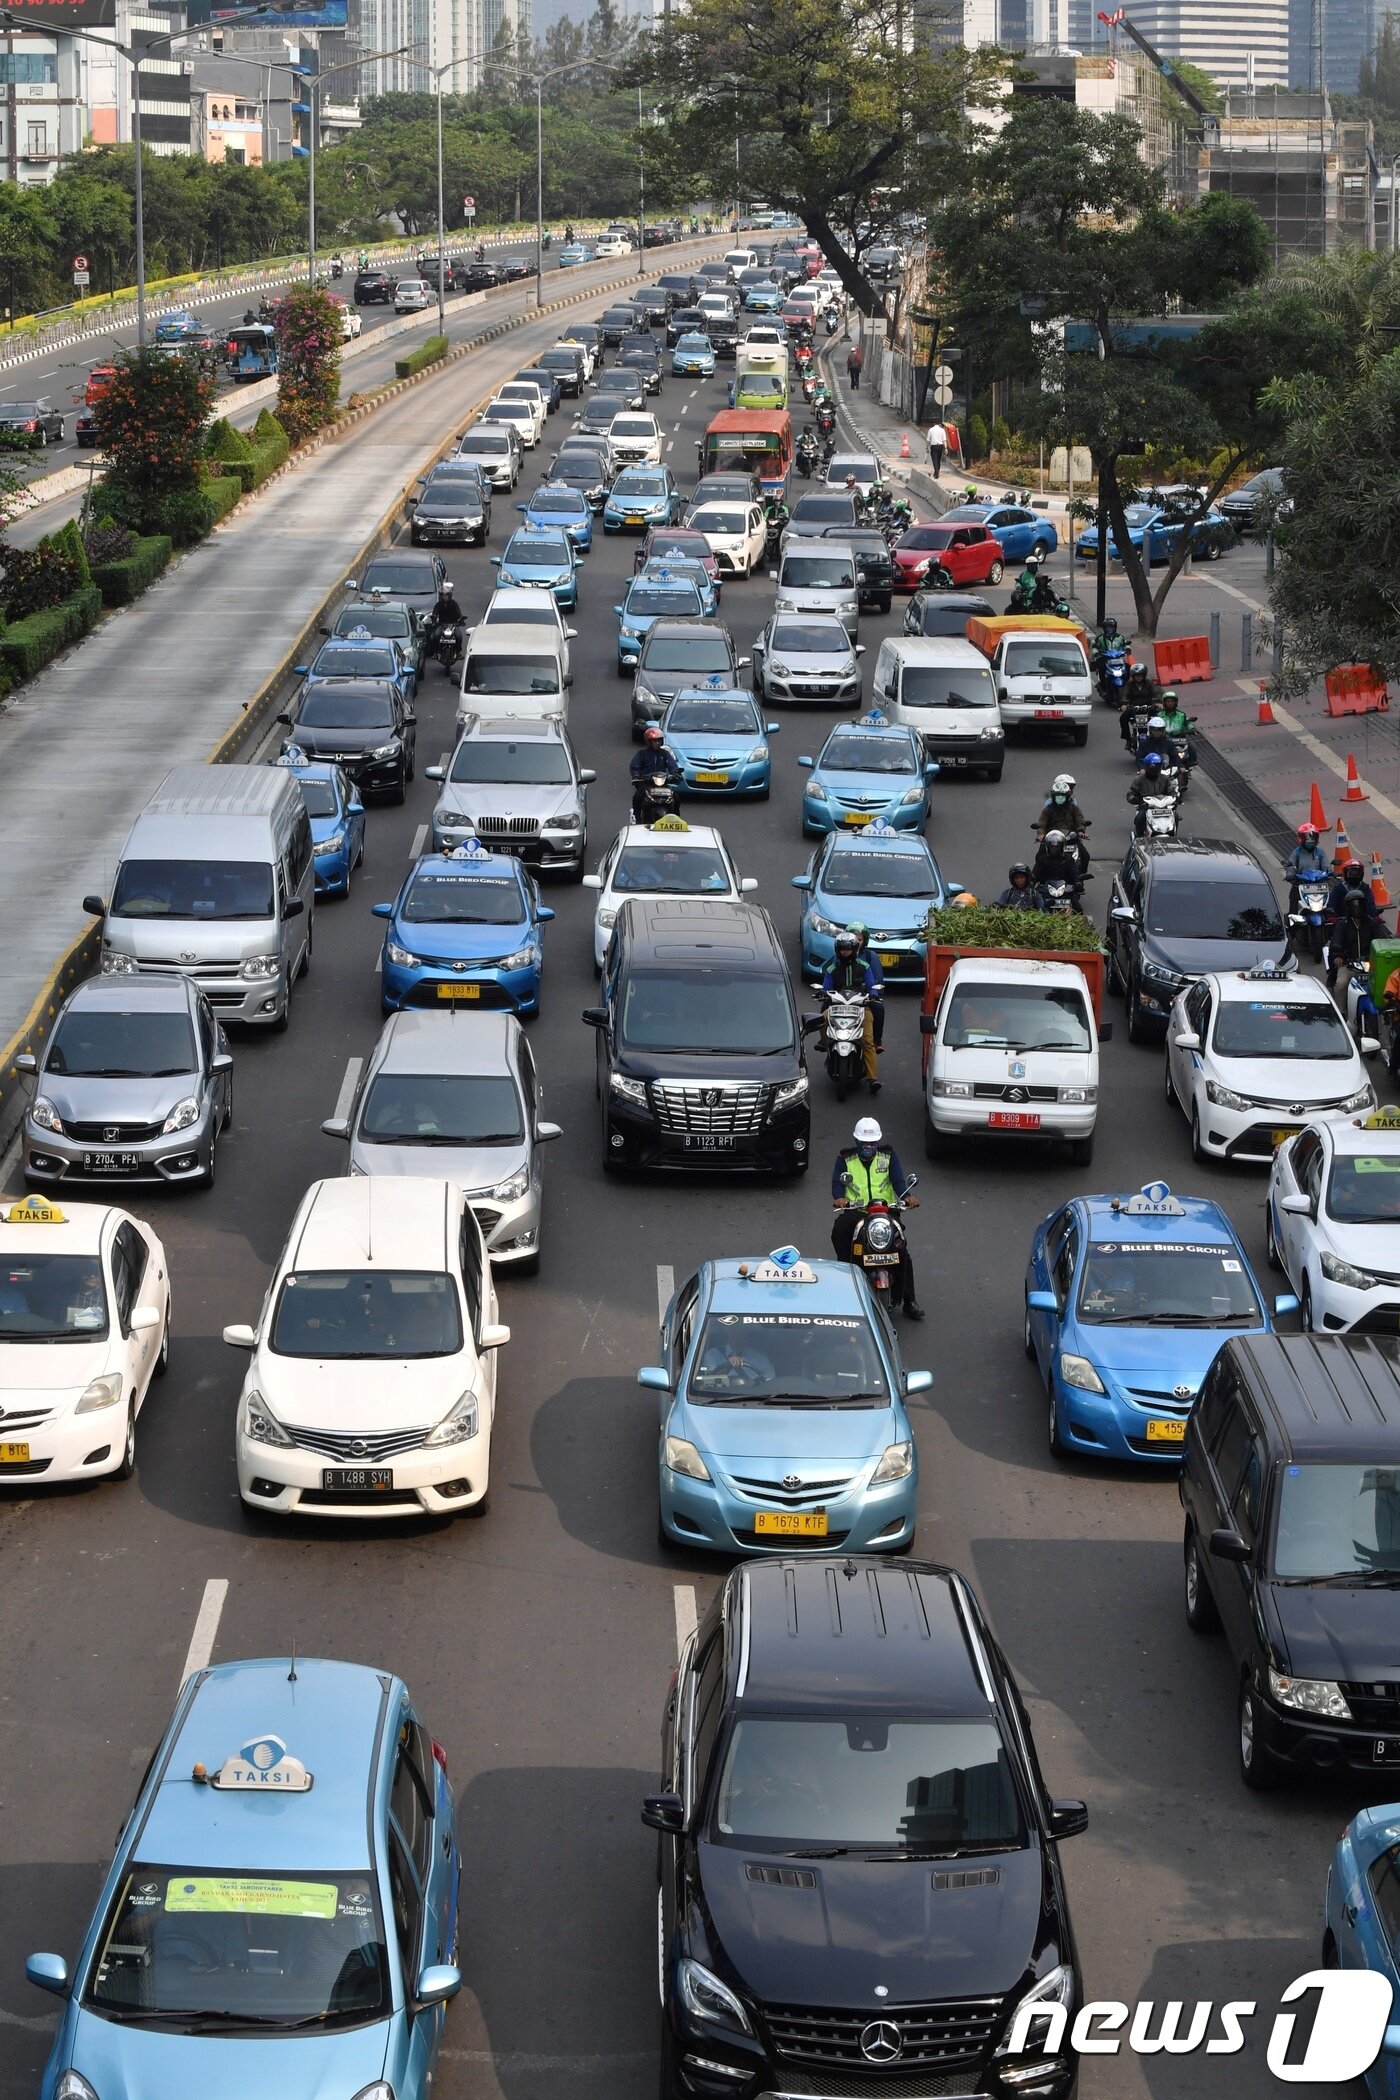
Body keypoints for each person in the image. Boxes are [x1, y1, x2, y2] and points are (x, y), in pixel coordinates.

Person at [831, 1117, 924, 1318]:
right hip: (858, 1212)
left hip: (885, 1211)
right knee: (839, 1231)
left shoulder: (888, 1156)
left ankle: (910, 1301)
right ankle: (846, 1274)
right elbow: (837, 1183)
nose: (868, 1148)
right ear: (857, 1142)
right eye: (865, 1144)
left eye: (872, 1144)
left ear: (877, 1143)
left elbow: (898, 1181)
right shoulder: (845, 1158)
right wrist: (839, 1198)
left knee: (902, 1249)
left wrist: (907, 1198)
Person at [820, 930, 881, 1090]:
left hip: (861, 1008)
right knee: (821, 1019)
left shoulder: (865, 967)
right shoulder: (832, 969)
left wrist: (873, 994)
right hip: (837, 1007)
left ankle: (872, 1078)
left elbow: (871, 985)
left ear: (854, 949)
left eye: (847, 949)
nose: (845, 952)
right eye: (842, 949)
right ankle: (825, 1043)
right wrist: (823, 993)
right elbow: (826, 987)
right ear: (837, 950)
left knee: (867, 1040)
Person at [1328, 888, 1381, 992]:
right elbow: (1336, 942)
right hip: (1348, 965)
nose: (1358, 907)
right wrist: (1338, 956)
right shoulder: (1343, 925)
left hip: (1370, 965)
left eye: (1360, 904)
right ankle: (1341, 1009)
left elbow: (1382, 940)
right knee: (1341, 984)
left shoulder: (1372, 924)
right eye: (1354, 904)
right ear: (1348, 907)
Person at [629, 724, 684, 819]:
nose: (657, 743)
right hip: (647, 783)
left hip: (663, 783)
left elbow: (672, 765)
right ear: (649, 741)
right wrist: (636, 775)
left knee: (676, 797)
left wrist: (676, 773)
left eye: (659, 740)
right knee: (637, 797)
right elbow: (635, 766)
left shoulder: (665, 754)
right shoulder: (642, 754)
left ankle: (676, 818)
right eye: (654, 741)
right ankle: (637, 817)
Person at [847, 923, 885, 1050]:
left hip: (864, 997)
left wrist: (873, 994)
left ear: (865, 941)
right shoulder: (840, 955)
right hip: (844, 996)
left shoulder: (870, 957)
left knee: (878, 1009)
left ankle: (877, 1040)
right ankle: (826, 1041)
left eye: (859, 939)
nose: (856, 942)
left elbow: (877, 980)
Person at [695, 1330, 776, 1389]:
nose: (738, 1335)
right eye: (735, 1331)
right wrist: (728, 1366)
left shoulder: (760, 1358)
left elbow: (771, 1383)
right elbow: (709, 1382)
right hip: (720, 1398)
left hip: (756, 1398)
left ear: (746, 1335)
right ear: (728, 1334)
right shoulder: (713, 1355)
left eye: (741, 1332)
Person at [1035, 773, 1092, 843]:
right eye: (1058, 795)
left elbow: (1079, 819)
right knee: (1042, 852)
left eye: (1071, 787)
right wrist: (1041, 834)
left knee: (1084, 853)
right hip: (1052, 838)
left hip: (1070, 837)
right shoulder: (1048, 807)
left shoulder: (1073, 806)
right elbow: (1042, 821)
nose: (1060, 798)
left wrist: (1081, 831)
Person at [1285, 822, 1330, 907]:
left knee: (1329, 907)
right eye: (1308, 837)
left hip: (1318, 887)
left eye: (1313, 837)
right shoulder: (1296, 853)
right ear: (1302, 838)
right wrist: (1290, 873)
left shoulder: (1320, 853)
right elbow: (1291, 865)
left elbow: (1326, 867)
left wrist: (1330, 872)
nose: (1311, 840)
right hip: (1300, 885)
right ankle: (1292, 918)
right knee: (1293, 896)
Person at [1127, 752, 1170, 836]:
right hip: (1146, 808)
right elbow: (1130, 794)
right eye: (1152, 767)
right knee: (1139, 818)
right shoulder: (1139, 779)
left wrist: (1175, 797)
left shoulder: (1165, 779)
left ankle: (1173, 835)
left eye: (1156, 766)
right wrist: (1135, 799)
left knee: (1175, 816)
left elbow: (1171, 790)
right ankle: (1139, 839)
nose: (1154, 769)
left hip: (1163, 808)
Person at [1032, 827, 1083, 893]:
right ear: (1048, 846)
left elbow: (1075, 873)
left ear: (1061, 846)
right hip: (1046, 892)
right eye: (1052, 846)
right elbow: (1035, 874)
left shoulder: (1069, 859)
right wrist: (1030, 882)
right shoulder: (1042, 860)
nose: (1054, 848)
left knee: (1076, 902)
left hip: (1065, 891)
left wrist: (1078, 882)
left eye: (1057, 846)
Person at [425, 578, 464, 643]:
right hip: (442, 625)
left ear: (450, 595)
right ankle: (436, 651)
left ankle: (458, 651)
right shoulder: (439, 604)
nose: (445, 597)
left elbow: (458, 612)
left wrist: (461, 619)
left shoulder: (454, 604)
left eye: (446, 595)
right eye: (443, 595)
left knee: (459, 636)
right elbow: (435, 612)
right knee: (436, 636)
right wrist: (434, 618)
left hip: (452, 625)